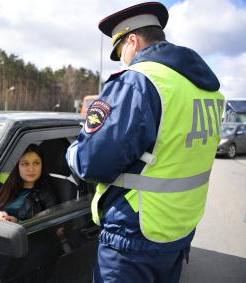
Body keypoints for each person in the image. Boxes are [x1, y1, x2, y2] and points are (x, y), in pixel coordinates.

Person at [66, 2, 224, 283]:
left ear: (133, 41)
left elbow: (92, 161)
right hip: (179, 227)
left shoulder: (138, 81)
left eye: (121, 53)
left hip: (135, 234)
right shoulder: (206, 90)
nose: (123, 61)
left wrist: (72, 151)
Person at [0, 144, 57, 223]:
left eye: (36, 163)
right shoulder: (5, 184)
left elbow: (51, 225)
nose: (31, 169)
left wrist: (18, 223)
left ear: (42, 165)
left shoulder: (46, 191)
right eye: (25, 164)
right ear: (17, 167)